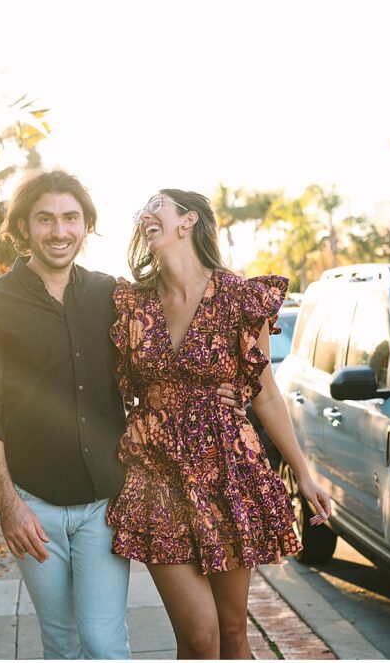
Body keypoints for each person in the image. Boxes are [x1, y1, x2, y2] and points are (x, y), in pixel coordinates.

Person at [0, 171, 244, 660]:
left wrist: (214, 390)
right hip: (35, 505)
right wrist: (9, 504)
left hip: (105, 503)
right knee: (62, 642)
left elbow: (164, 358)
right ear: (24, 227)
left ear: (85, 226)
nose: (59, 230)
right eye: (44, 219)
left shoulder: (114, 297)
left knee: (104, 642)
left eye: (71, 218)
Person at [105, 189, 332, 660]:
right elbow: (116, 389)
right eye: (143, 209)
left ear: (188, 220)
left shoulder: (238, 297)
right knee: (199, 637)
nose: (145, 213)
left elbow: (265, 391)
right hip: (158, 479)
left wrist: (303, 474)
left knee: (232, 634)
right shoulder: (132, 303)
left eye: (157, 204)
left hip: (228, 474)